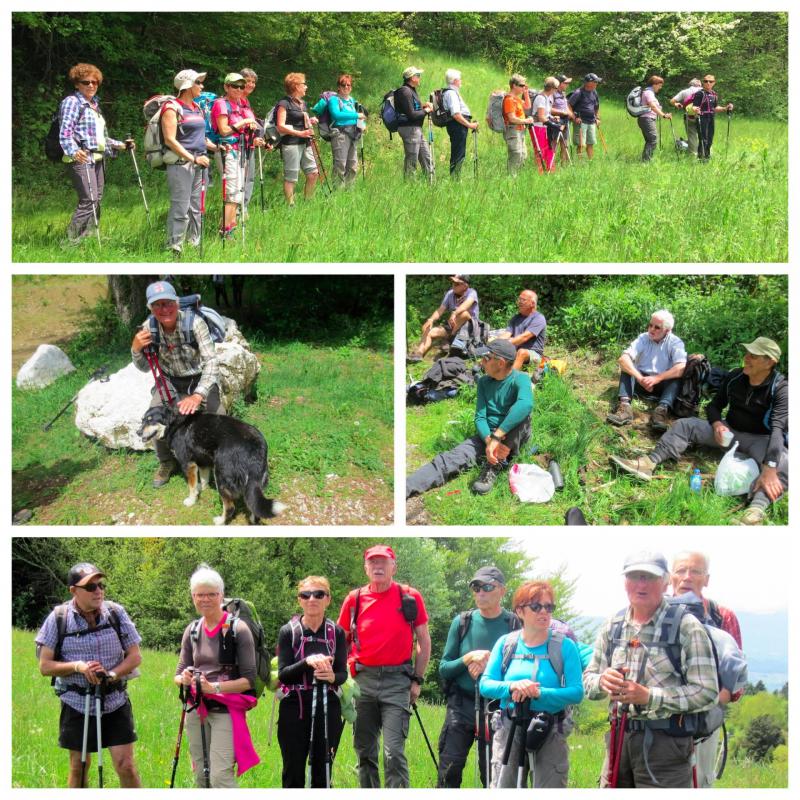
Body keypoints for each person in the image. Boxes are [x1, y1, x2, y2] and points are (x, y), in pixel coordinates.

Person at [610, 337, 787, 525]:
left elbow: (778, 429)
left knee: (785, 464)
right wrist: (718, 423)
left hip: (759, 439)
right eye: (747, 353)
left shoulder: (781, 389)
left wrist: (770, 467)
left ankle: (755, 510)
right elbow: (714, 406)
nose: (746, 358)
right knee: (685, 424)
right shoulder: (736, 377)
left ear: (770, 362)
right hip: (728, 433)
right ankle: (647, 463)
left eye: (753, 356)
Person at [583, 551, 718, 788]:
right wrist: (602, 681)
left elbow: (708, 692)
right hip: (617, 741)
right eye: (634, 576)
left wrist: (649, 696)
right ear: (624, 582)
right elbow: (589, 681)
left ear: (665, 582)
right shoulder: (612, 625)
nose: (640, 584)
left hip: (667, 747)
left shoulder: (687, 627)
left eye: (649, 577)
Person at [36, 562, 143, 788]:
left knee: (126, 765)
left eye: (101, 585)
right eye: (91, 587)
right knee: (79, 766)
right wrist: (78, 667)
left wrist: (111, 674)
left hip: (115, 700)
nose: (99, 591)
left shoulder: (115, 612)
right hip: (77, 702)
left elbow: (135, 656)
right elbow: (45, 666)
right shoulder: (59, 618)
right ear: (73, 590)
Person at [337, 545, 431, 788]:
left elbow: (424, 641)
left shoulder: (410, 597)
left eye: (384, 562)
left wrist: (417, 681)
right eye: (373, 563)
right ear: (366, 568)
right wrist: (341, 679)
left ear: (394, 567)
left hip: (397, 681)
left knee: (394, 753)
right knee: (365, 752)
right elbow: (340, 642)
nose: (378, 567)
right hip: (362, 682)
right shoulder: (354, 599)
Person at [480, 580, 584, 788]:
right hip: (509, 724)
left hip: (551, 727)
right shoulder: (506, 643)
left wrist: (538, 693)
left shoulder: (565, 646)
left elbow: (576, 692)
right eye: (536, 607)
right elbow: (485, 684)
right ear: (520, 611)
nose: (544, 612)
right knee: (504, 787)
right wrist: (512, 687)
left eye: (549, 607)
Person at [406, 338, 533, 498]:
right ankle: (406, 486)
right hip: (487, 437)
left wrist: (497, 436)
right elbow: (480, 417)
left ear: (500, 362)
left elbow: (525, 405)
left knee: (521, 415)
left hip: (513, 435)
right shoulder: (484, 382)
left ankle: (495, 464)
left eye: (486, 358)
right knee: (449, 459)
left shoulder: (520, 379)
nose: (482, 362)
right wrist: (488, 441)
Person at [131, 280, 224, 487]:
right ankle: (166, 461)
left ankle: (218, 461)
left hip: (199, 377)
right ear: (151, 308)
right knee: (154, 415)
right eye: (157, 305)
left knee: (219, 417)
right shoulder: (149, 328)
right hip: (169, 381)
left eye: (168, 303)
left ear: (177, 303)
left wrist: (198, 394)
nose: (163, 309)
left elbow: (211, 361)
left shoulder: (194, 323)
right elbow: (145, 367)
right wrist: (136, 350)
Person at [174, 565, 259, 788]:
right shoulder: (192, 630)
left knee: (220, 776)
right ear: (193, 596)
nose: (205, 599)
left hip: (226, 711)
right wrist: (183, 678)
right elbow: (179, 671)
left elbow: (249, 680)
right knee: (202, 775)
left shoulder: (238, 629)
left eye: (211, 594)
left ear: (221, 595)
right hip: (196, 708)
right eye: (199, 594)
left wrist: (214, 688)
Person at [437, 567, 520, 788]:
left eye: (487, 587)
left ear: (502, 591)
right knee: (449, 769)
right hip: (461, 704)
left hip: (498, 706)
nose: (480, 592)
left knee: (493, 772)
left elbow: (520, 669)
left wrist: (489, 664)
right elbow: (444, 668)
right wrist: (468, 658)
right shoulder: (462, 622)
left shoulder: (514, 625)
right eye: (476, 587)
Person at [670, 552, 743, 788]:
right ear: (670, 576)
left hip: (705, 723)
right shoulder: (652, 610)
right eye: (680, 570)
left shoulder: (722, 616)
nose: (687, 577)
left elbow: (736, 674)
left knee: (699, 782)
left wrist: (716, 701)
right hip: (658, 717)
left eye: (696, 571)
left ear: (707, 579)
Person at [277, 576, 348, 788]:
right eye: (305, 595)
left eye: (319, 594)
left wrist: (333, 678)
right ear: (299, 600)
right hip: (295, 708)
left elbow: (342, 673)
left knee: (323, 770)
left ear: (328, 599)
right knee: (293, 770)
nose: (312, 599)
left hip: (328, 708)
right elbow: (284, 674)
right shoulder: (289, 632)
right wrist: (307, 662)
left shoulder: (336, 632)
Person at [57, 63, 134, 245]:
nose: (91, 85)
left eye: (95, 82)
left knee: (96, 200)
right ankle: (69, 241)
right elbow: (65, 132)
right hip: (81, 157)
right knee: (88, 200)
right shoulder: (72, 102)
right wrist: (74, 151)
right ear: (77, 84)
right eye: (86, 82)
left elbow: (101, 138)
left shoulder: (94, 105)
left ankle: (86, 237)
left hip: (98, 158)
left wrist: (121, 145)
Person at [160, 69, 213, 257]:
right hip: (181, 163)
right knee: (180, 207)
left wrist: (218, 148)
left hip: (200, 163)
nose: (202, 86)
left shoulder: (197, 108)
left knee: (196, 208)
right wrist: (193, 158)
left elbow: (201, 137)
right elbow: (170, 140)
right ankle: (174, 247)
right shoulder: (171, 107)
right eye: (198, 82)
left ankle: (193, 242)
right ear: (188, 85)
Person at [606, 310, 687, 431]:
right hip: (641, 382)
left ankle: (661, 412)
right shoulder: (643, 338)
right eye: (650, 325)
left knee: (676, 377)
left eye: (657, 327)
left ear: (667, 330)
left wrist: (657, 378)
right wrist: (640, 378)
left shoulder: (675, 342)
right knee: (627, 368)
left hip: (662, 386)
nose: (651, 329)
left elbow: (681, 367)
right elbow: (623, 359)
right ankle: (625, 408)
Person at [211, 73, 258, 238]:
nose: (239, 89)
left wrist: (250, 126)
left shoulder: (240, 104)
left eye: (241, 86)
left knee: (238, 192)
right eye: (234, 86)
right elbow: (223, 130)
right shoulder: (221, 104)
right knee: (231, 193)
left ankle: (231, 227)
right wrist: (243, 123)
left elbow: (250, 123)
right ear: (226, 87)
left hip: (241, 150)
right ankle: (225, 232)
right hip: (227, 151)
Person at [407, 274, 479, 363]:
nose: (453, 285)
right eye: (452, 283)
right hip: (453, 327)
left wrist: (454, 313)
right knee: (429, 331)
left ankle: (450, 341)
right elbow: (440, 310)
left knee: (464, 314)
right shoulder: (450, 293)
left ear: (465, 285)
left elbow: (466, 305)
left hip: (469, 328)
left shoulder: (472, 292)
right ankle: (418, 354)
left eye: (457, 284)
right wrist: (431, 319)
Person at [276, 72, 319, 206]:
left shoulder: (302, 103)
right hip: (291, 143)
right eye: (304, 84)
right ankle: (291, 206)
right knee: (291, 177)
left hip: (305, 142)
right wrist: (299, 133)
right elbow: (280, 126)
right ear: (296, 86)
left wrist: (309, 120)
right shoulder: (284, 103)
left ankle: (308, 202)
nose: (306, 87)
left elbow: (300, 121)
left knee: (313, 173)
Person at [394, 66, 434, 178]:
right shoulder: (405, 92)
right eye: (418, 75)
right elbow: (412, 115)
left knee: (427, 158)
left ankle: (431, 184)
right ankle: (409, 186)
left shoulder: (411, 91)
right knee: (412, 161)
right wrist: (426, 110)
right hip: (410, 129)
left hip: (416, 130)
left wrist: (423, 106)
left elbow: (413, 109)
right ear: (412, 78)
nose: (420, 77)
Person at [684, 75, 734, 160]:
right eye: (706, 81)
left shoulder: (714, 94)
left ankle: (707, 156)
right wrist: (696, 110)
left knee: (710, 139)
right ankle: (701, 158)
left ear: (714, 83)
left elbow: (715, 108)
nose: (708, 83)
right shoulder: (699, 94)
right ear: (703, 82)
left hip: (711, 117)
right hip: (702, 117)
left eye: (710, 81)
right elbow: (694, 106)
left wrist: (725, 108)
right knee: (703, 139)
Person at [496, 289, 547, 372]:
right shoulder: (515, 318)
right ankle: (481, 372)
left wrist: (503, 344)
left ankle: (509, 380)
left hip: (534, 355)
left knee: (521, 352)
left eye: (523, 300)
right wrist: (495, 342)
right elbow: (506, 334)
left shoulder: (539, 318)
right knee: (495, 350)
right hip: (515, 352)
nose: (519, 302)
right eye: (519, 299)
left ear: (532, 303)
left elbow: (524, 337)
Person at [239, 68, 267, 215]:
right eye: (247, 81)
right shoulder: (234, 101)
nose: (250, 84)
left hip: (250, 145)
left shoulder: (246, 101)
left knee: (249, 178)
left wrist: (257, 137)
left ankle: (244, 209)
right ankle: (236, 212)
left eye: (253, 82)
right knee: (240, 180)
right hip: (239, 146)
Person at [442, 69, 479, 176]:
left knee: (458, 152)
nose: (461, 81)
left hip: (458, 125)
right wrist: (470, 125)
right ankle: (455, 179)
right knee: (458, 153)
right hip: (458, 126)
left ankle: (455, 177)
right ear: (455, 80)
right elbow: (456, 114)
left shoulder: (452, 92)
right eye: (459, 79)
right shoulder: (452, 94)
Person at [502, 74, 533, 175]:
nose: (523, 87)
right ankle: (511, 178)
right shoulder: (509, 99)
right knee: (516, 153)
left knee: (523, 155)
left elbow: (528, 106)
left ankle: (517, 176)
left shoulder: (517, 99)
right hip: (513, 130)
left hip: (520, 130)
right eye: (521, 85)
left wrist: (526, 92)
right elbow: (511, 118)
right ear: (514, 85)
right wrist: (526, 121)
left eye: (525, 86)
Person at [638, 76, 672, 162]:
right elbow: (653, 106)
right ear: (654, 84)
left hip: (645, 119)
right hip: (647, 119)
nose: (660, 87)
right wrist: (663, 115)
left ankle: (646, 160)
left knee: (650, 140)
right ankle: (646, 162)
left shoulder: (647, 92)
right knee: (653, 140)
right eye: (660, 85)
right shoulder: (649, 92)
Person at [568, 73, 602, 159]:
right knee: (581, 144)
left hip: (591, 121)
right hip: (581, 122)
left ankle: (590, 161)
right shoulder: (578, 92)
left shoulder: (594, 92)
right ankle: (580, 162)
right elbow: (568, 106)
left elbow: (596, 106)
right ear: (588, 82)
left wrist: (597, 118)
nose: (596, 83)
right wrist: (574, 118)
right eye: (595, 82)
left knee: (590, 143)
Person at [531, 77, 558, 171]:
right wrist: (553, 125)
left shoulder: (547, 97)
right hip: (538, 127)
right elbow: (541, 117)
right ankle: (540, 171)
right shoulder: (540, 98)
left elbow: (546, 114)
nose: (556, 90)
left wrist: (552, 118)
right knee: (540, 150)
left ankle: (550, 169)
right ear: (552, 88)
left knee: (549, 149)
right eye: (556, 88)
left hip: (545, 127)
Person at [670, 78, 702, 156]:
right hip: (702, 116)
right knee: (704, 135)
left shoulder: (684, 92)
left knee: (692, 136)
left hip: (689, 117)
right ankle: (706, 153)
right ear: (698, 84)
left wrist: (677, 104)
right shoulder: (703, 91)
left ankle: (693, 155)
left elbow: (672, 101)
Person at [551, 74, 575, 165]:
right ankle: (551, 165)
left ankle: (563, 165)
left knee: (565, 145)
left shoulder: (563, 94)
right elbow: (548, 109)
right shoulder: (552, 94)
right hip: (556, 122)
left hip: (565, 121)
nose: (567, 85)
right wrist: (562, 112)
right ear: (559, 83)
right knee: (554, 144)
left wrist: (571, 115)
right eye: (565, 83)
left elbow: (566, 107)